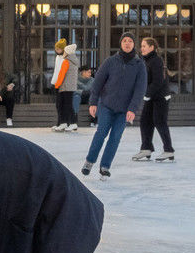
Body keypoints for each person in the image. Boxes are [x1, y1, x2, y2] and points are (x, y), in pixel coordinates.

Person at [82, 32, 146, 180]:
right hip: (106, 105)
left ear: (134, 44)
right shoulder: (111, 61)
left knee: (115, 137)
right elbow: (97, 83)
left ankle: (105, 166)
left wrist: (132, 109)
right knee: (101, 133)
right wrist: (93, 102)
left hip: (123, 110)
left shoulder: (139, 65)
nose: (127, 43)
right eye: (125, 41)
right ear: (121, 43)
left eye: (130, 41)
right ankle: (89, 162)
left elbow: (140, 89)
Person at [133, 37, 175, 162]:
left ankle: (168, 150)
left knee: (160, 122)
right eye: (141, 46)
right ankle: (146, 148)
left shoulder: (156, 61)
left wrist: (147, 94)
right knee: (145, 121)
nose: (142, 48)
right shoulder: (146, 60)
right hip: (151, 97)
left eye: (144, 46)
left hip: (161, 97)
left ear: (152, 47)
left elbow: (158, 81)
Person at [51, 40, 81, 132]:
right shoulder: (74, 61)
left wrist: (57, 85)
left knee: (65, 105)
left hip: (64, 86)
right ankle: (66, 123)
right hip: (70, 86)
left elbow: (61, 75)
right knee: (67, 105)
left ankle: (71, 123)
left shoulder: (66, 61)